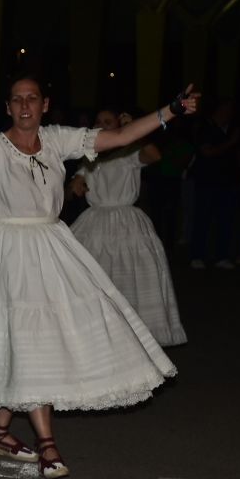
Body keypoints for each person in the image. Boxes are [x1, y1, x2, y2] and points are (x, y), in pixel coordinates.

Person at [0, 75, 193, 478]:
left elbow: (120, 138)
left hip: (51, 245)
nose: (24, 106)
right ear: (7, 107)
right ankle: (47, 443)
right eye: (16, 99)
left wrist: (170, 111)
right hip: (7, 251)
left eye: (32, 99)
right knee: (28, 336)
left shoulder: (56, 140)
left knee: (40, 338)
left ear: (45, 104)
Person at [70, 110, 186, 346]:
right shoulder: (90, 156)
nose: (102, 125)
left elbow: (153, 155)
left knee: (129, 278)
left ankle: (134, 337)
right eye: (98, 121)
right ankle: (96, 333)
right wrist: (75, 182)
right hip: (94, 222)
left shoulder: (129, 151)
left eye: (108, 121)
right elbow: (75, 186)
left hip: (126, 221)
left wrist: (135, 131)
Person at [188, 100, 240, 270]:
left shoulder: (233, 129)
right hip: (207, 182)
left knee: (225, 220)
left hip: (227, 182)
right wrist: (230, 143)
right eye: (225, 110)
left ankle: (222, 256)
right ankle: (197, 256)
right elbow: (207, 152)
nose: (228, 114)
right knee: (202, 219)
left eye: (231, 111)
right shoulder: (205, 128)